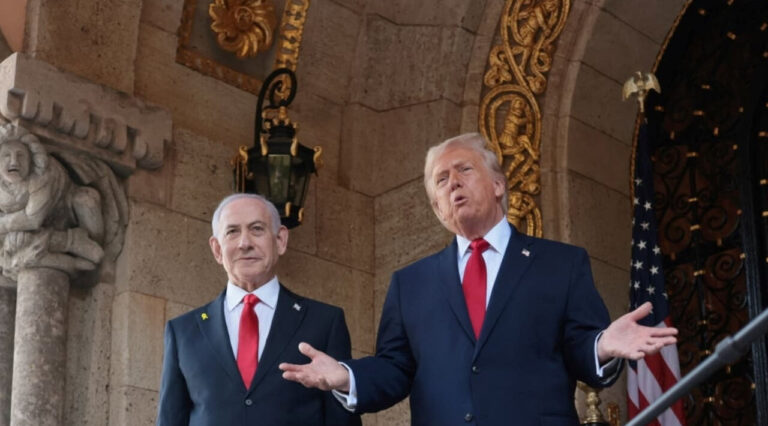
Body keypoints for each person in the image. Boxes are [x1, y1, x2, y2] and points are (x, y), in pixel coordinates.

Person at [279, 133, 678, 425]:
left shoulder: (561, 264)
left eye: (464, 169)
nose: (453, 181)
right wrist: (346, 376)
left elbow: (580, 349)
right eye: (441, 179)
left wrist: (602, 345)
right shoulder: (410, 284)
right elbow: (395, 369)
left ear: (498, 185)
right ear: (437, 208)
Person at [156, 193, 361, 426]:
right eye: (232, 231)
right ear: (217, 249)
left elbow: (342, 419)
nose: (245, 243)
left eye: (257, 229)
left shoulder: (324, 322)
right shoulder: (183, 331)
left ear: (280, 240)